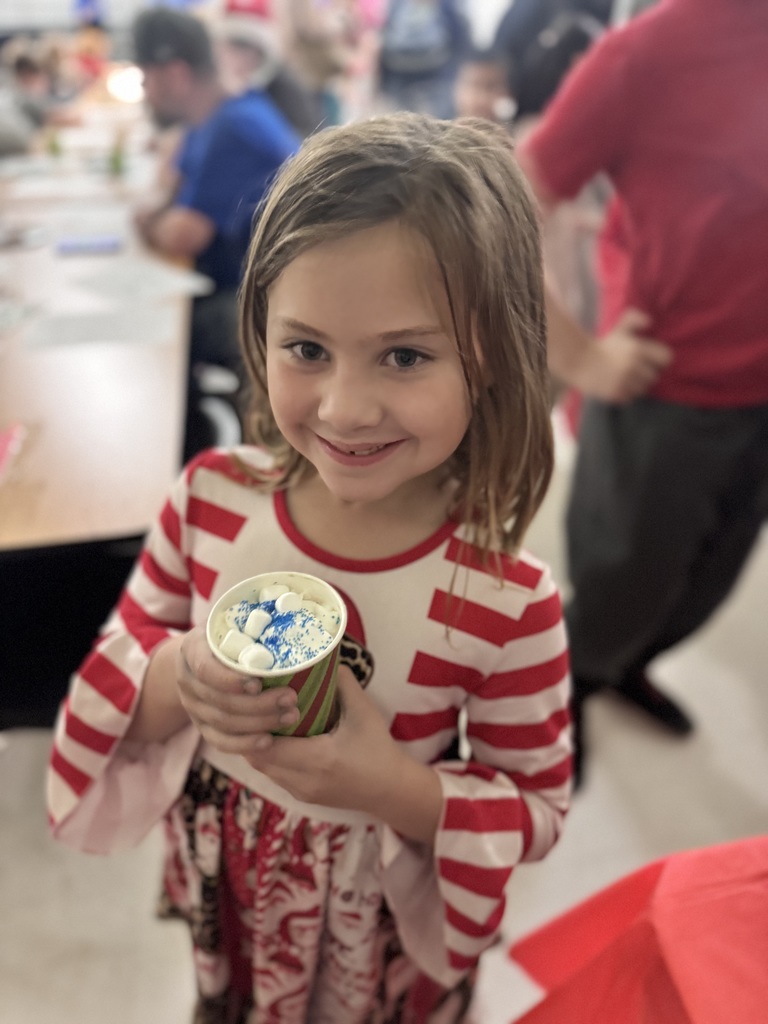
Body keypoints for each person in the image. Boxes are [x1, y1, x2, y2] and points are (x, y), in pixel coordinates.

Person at [47, 113, 572, 1023]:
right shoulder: (210, 499)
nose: (345, 407)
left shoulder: (508, 602)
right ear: (259, 332)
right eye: (307, 349)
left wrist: (394, 788)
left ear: (488, 356)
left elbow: (538, 808)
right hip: (232, 875)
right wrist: (180, 676)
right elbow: (123, 645)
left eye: (404, 356)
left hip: (380, 928)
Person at [516, 0, 768, 784]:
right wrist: (580, 355)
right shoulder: (654, 51)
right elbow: (509, 200)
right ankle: (567, 692)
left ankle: (613, 667)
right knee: (621, 585)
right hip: (666, 396)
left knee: (703, 588)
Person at [130, 7, 300, 458]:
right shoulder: (213, 117)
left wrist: (151, 220)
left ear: (174, 74)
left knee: (149, 335)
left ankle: (174, 458)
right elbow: (166, 187)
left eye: (145, 78)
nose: (144, 91)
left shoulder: (234, 127)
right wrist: (157, 214)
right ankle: (186, 441)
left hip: (262, 303)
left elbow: (181, 234)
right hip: (242, 286)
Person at [377, 0, 471, 120]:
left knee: (434, 120)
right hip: (405, 72)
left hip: (430, 72)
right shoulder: (396, 4)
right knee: (406, 121)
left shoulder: (446, 4)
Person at [452, 46, 516, 125]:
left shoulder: (522, 135)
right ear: (456, 88)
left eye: (491, 87)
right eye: (474, 86)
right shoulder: (439, 135)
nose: (482, 99)